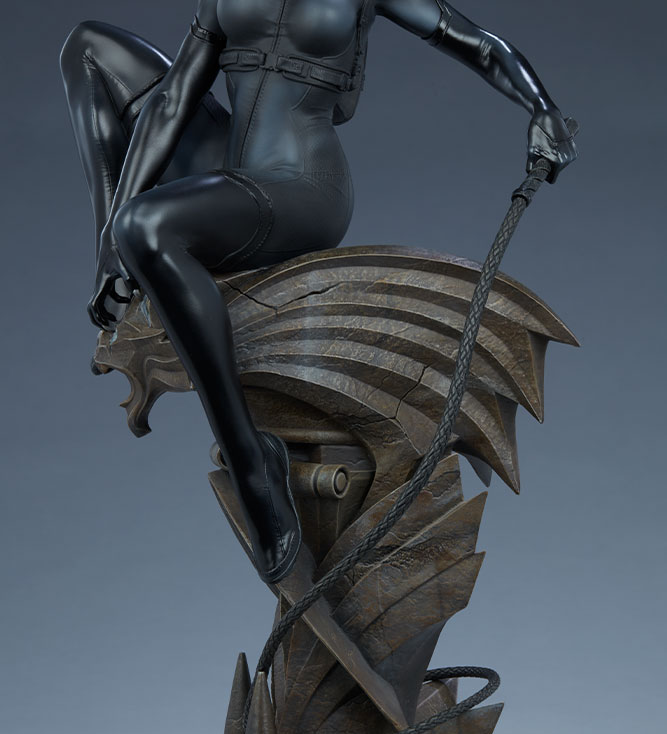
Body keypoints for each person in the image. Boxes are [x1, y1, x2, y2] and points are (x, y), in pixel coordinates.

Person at [60, 0, 577, 584]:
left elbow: (477, 42)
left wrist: (542, 107)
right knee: (89, 47)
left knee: (143, 224)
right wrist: (109, 240)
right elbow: (174, 98)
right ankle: (125, 263)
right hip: (224, 168)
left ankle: (252, 461)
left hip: (300, 187)